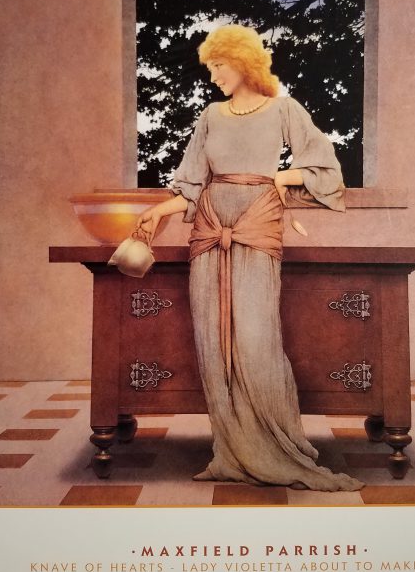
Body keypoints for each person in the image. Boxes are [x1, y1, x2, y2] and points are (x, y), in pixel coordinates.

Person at [137, 24, 364, 492]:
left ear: (241, 61)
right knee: (213, 340)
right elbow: (193, 184)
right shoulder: (210, 116)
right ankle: (232, 452)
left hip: (258, 226)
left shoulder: (283, 108)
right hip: (208, 231)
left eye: (218, 65)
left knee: (257, 338)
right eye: (212, 67)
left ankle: (276, 447)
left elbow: (324, 166)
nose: (214, 75)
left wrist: (281, 179)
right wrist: (159, 209)